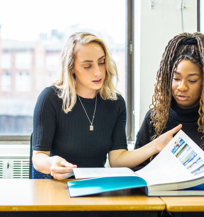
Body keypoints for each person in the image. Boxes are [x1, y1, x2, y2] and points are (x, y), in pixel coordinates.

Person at [32, 32, 181, 180]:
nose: (98, 72)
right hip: (57, 186)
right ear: (71, 67)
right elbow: (38, 158)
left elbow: (117, 159)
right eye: (87, 66)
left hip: (96, 187)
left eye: (101, 62)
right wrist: (52, 163)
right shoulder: (50, 99)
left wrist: (155, 146)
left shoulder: (115, 103)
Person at [134, 32, 204, 171]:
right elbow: (137, 167)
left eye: (192, 80)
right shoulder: (155, 118)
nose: (182, 87)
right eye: (176, 78)